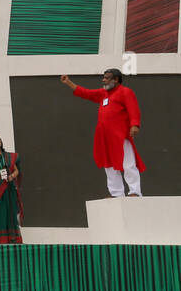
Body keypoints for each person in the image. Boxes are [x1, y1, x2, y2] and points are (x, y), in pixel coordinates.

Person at [60, 70, 144, 198]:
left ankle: (135, 191)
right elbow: (86, 93)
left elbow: (133, 109)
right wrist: (69, 82)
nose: (103, 80)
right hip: (104, 137)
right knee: (108, 165)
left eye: (107, 78)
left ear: (116, 80)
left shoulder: (125, 92)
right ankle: (116, 194)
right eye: (104, 78)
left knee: (128, 164)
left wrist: (134, 125)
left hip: (120, 135)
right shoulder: (103, 94)